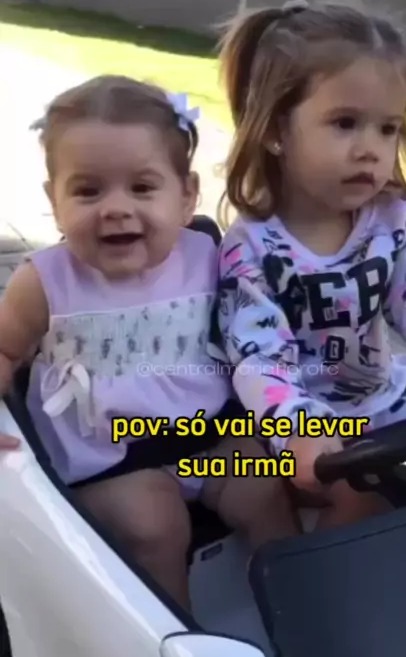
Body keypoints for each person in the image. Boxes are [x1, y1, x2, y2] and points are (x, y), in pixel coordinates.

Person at [0, 75, 298, 610]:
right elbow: (4, 349)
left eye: (142, 188)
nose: (115, 208)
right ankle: (180, 641)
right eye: (88, 191)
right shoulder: (44, 280)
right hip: (108, 455)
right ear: (54, 200)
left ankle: (300, 618)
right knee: (155, 525)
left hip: (207, 436)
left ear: (186, 197)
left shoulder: (209, 256)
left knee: (266, 486)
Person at [209, 0, 406, 528]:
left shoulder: (390, 221)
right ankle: (323, 582)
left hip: (384, 403)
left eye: (388, 128)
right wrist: (299, 431)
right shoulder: (252, 250)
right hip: (295, 427)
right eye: (345, 123)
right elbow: (261, 358)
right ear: (275, 130)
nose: (370, 149)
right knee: (361, 498)